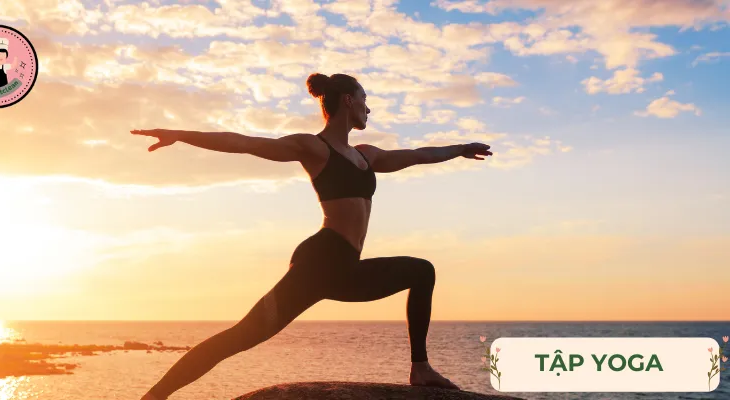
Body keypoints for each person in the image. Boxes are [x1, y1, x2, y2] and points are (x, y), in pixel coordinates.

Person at [131, 73, 493, 399]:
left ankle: (420, 368)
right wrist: (180, 135)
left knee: (422, 271)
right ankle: (155, 397)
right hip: (319, 263)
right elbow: (244, 142)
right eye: (365, 98)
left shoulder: (366, 156)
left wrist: (459, 149)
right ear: (348, 100)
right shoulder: (315, 148)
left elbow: (417, 155)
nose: (370, 107)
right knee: (242, 336)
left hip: (347, 269)